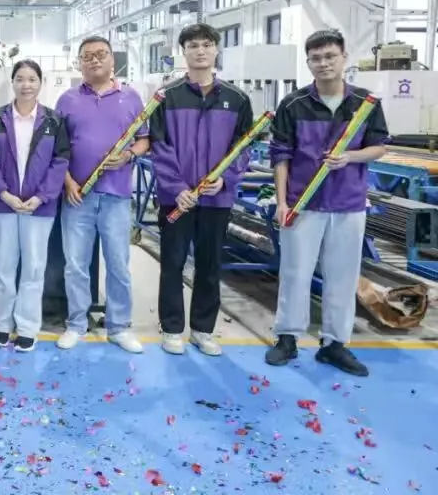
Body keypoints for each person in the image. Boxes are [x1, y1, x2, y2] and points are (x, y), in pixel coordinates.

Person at [265, 30, 388, 376]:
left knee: (343, 277)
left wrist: (350, 156)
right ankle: (287, 337)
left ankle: (334, 344)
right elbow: (281, 156)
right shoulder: (293, 103)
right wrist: (281, 201)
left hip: (348, 204)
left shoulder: (365, 104)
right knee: (294, 273)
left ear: (344, 57)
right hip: (303, 203)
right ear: (308, 63)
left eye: (330, 56)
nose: (323, 63)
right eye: (316, 58)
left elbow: (380, 146)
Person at [149, 23, 254, 356]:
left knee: (209, 265)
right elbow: (159, 145)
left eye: (206, 45)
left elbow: (244, 146)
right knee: (173, 263)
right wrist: (176, 187)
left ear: (216, 50)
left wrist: (228, 178)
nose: (200, 51)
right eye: (193, 45)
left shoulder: (236, 99)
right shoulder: (168, 97)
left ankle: (204, 329)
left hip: (216, 199)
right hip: (176, 200)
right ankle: (172, 328)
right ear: (184, 52)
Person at [56, 37, 149, 354]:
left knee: (119, 265)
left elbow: (145, 140)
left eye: (101, 55)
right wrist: (68, 181)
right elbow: (57, 148)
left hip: (116, 196)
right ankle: (76, 324)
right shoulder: (67, 100)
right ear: (79, 63)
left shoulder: (131, 98)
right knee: (76, 265)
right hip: (77, 197)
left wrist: (128, 156)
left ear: (113, 60)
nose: (94, 61)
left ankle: (119, 326)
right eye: (87, 56)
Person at [0, 60, 69, 352]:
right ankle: (1, 325)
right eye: (20, 78)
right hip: (2, 205)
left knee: (33, 268)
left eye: (32, 79)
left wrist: (41, 197)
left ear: (40, 83)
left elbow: (60, 163)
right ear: (12, 82)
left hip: (38, 208)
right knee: (4, 268)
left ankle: (28, 327)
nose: (26, 84)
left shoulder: (53, 122)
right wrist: (3, 193)